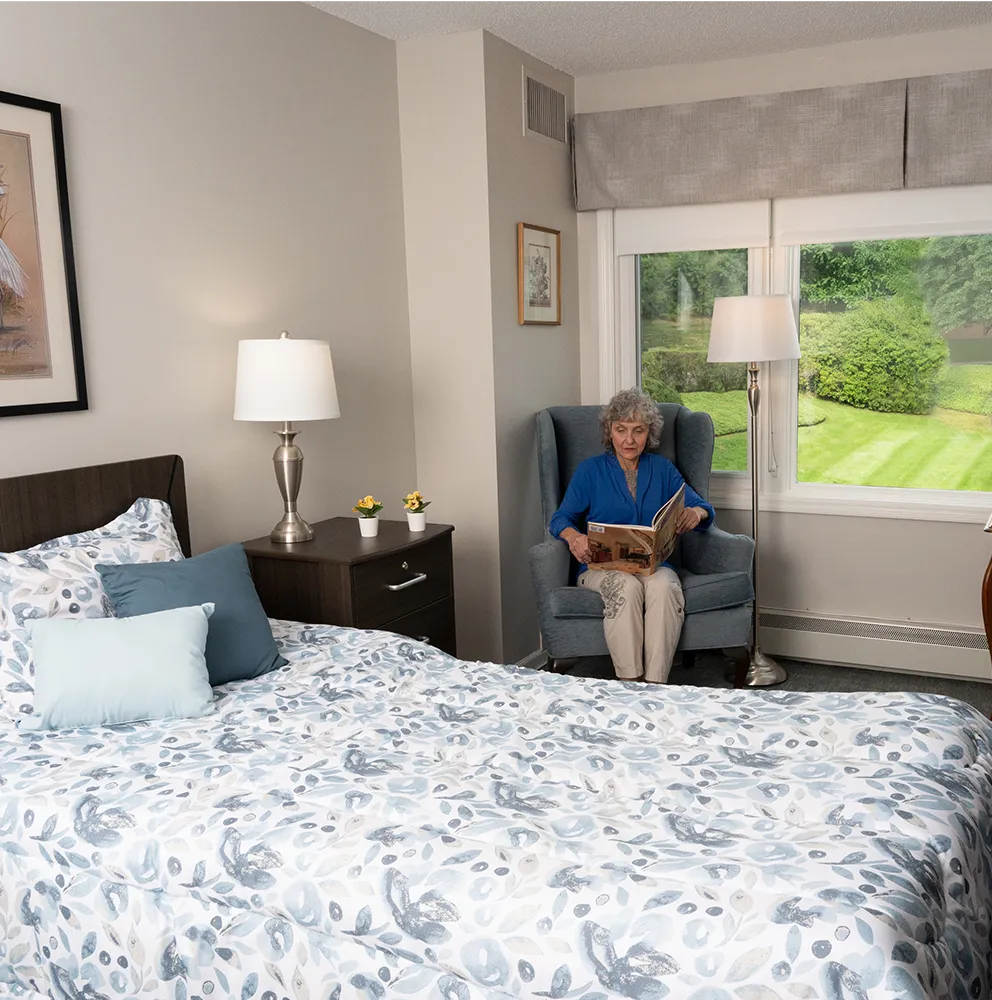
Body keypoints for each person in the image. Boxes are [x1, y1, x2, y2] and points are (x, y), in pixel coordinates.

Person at [549, 388, 715, 683]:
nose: (629, 440)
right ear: (609, 431)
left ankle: (655, 684)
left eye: (638, 431)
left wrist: (696, 514)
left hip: (654, 567)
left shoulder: (663, 470)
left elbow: (700, 505)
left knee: (664, 587)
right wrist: (574, 538)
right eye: (621, 430)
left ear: (649, 433)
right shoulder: (590, 471)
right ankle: (630, 684)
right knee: (625, 587)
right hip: (599, 567)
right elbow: (561, 518)